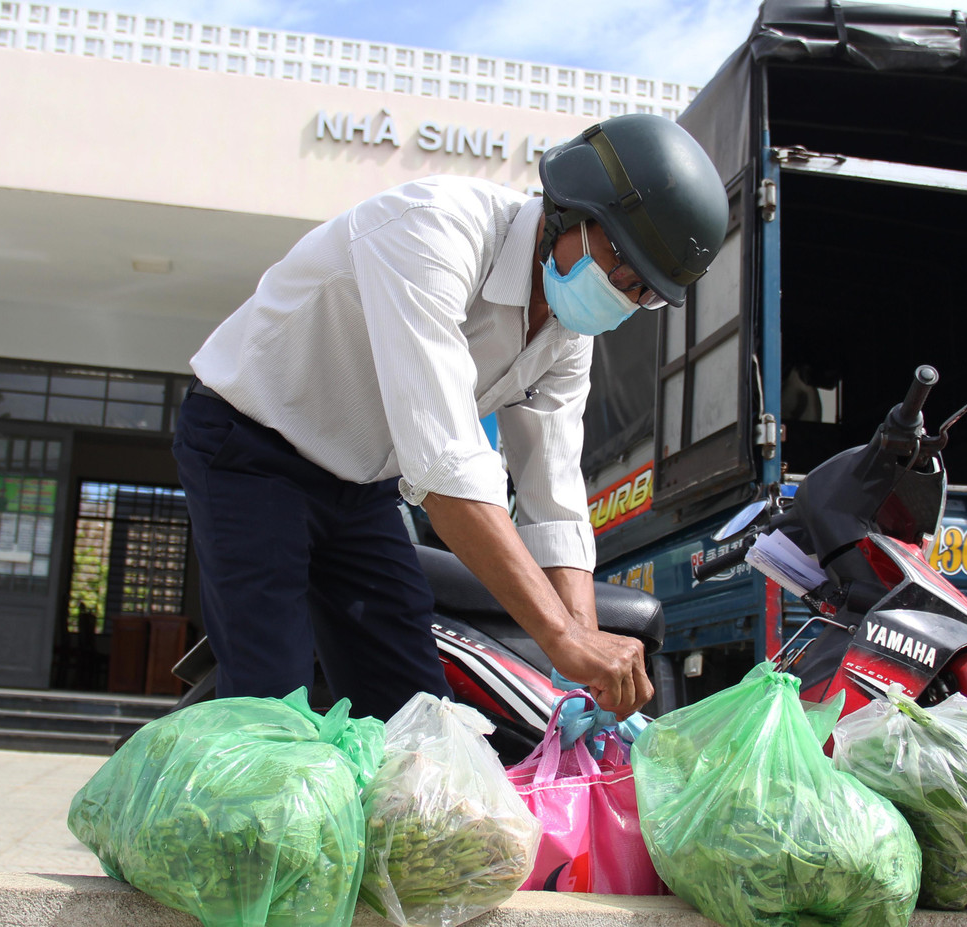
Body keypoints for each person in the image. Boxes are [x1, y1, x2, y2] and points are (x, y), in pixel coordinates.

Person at [172, 113, 728, 723]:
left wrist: (584, 661)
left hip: (359, 488)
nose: (623, 295)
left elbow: (555, 498)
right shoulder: (434, 228)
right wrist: (564, 640)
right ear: (572, 210)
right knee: (271, 705)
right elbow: (445, 465)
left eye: (643, 291)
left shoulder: (567, 334)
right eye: (621, 267)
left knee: (420, 717)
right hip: (251, 449)